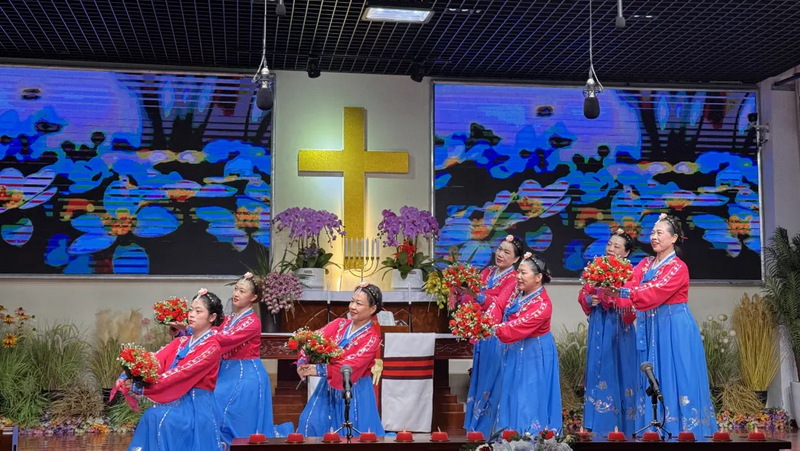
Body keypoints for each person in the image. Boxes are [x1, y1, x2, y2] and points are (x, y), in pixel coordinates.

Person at [603, 213, 717, 436]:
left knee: (678, 375)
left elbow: (654, 292)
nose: (654, 237)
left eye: (659, 233)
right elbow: (628, 283)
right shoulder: (645, 264)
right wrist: (608, 286)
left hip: (674, 329)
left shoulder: (677, 267)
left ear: (674, 238)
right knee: (652, 377)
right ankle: (654, 431)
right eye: (652, 233)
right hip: (651, 329)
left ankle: (681, 432)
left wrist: (623, 291)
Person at [123, 288, 225, 451]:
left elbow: (182, 373)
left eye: (198, 311)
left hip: (197, 407)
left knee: (160, 417)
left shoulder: (212, 347)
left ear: (212, 317)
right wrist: (130, 372)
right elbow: (156, 359)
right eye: (191, 310)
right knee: (152, 416)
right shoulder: (181, 342)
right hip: (177, 401)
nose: (191, 314)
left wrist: (142, 387)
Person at [295, 282, 385, 437]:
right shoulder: (339, 324)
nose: (352, 306)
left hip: (355, 390)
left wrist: (317, 369)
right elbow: (314, 339)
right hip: (327, 387)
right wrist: (303, 360)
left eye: (359, 303)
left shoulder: (372, 338)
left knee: (350, 432)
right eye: (352, 301)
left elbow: (351, 365)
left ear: (372, 309)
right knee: (308, 422)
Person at [213, 272, 293, 444]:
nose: (236, 294)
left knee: (231, 412)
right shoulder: (230, 319)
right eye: (235, 289)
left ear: (253, 297)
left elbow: (225, 339)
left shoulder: (251, 322)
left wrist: (201, 333)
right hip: (229, 372)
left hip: (245, 374)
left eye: (242, 291)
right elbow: (218, 333)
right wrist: (188, 330)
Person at [486, 253, 561, 433]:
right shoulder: (516, 291)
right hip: (513, 350)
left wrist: (490, 329)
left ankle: (530, 438)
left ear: (538, 277)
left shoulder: (543, 305)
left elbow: (517, 326)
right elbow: (498, 304)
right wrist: (486, 320)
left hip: (534, 353)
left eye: (523, 273)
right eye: (518, 272)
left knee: (528, 396)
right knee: (511, 393)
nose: (518, 276)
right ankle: (509, 434)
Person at [459, 235, 522, 436]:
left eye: (507, 252)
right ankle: (476, 425)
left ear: (516, 259)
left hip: (497, 333)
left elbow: (498, 304)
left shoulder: (513, 279)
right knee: (480, 373)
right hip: (482, 332)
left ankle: (490, 428)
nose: (500, 254)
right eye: (500, 249)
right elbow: (474, 296)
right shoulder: (488, 271)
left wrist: (476, 296)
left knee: (494, 377)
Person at [579, 229, 638, 435]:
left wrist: (611, 297)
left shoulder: (631, 273)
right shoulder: (597, 268)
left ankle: (622, 424)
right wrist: (590, 299)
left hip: (619, 327)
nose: (611, 249)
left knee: (620, 369)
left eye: (617, 246)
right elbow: (584, 293)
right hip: (599, 325)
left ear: (627, 252)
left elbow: (631, 303)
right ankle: (597, 422)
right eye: (609, 244)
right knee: (597, 368)